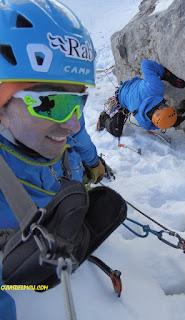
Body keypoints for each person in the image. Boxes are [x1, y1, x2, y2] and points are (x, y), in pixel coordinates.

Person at [0, 0, 105, 318]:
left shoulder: (54, 127)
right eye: (50, 103)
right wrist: (25, 285)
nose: (73, 122)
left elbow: (79, 132)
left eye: (79, 101)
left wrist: (91, 161)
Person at [97, 59, 185, 137]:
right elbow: (145, 63)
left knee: (116, 131)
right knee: (116, 131)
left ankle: (104, 118)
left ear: (160, 108)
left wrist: (166, 74)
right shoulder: (155, 88)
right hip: (122, 96)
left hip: (124, 100)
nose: (166, 104)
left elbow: (146, 63)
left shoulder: (143, 121)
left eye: (167, 107)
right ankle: (104, 118)